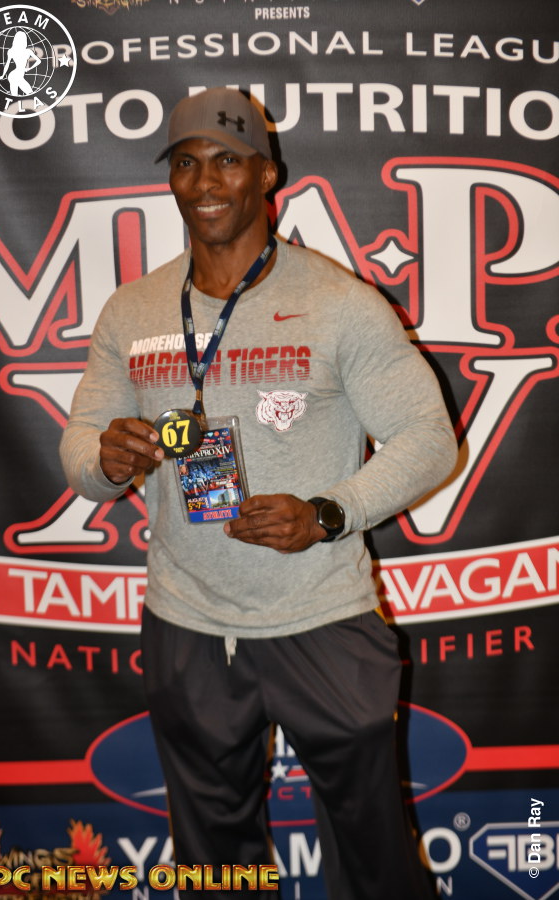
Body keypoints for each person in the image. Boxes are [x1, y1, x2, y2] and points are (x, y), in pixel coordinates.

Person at [60, 87, 458, 898]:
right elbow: (80, 451)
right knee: (214, 861)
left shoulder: (340, 303)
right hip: (187, 620)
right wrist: (106, 460)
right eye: (186, 162)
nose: (206, 182)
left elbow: (429, 439)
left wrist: (327, 513)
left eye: (228, 161)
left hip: (322, 616)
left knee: (375, 855)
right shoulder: (132, 310)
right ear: (170, 177)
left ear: (267, 175)